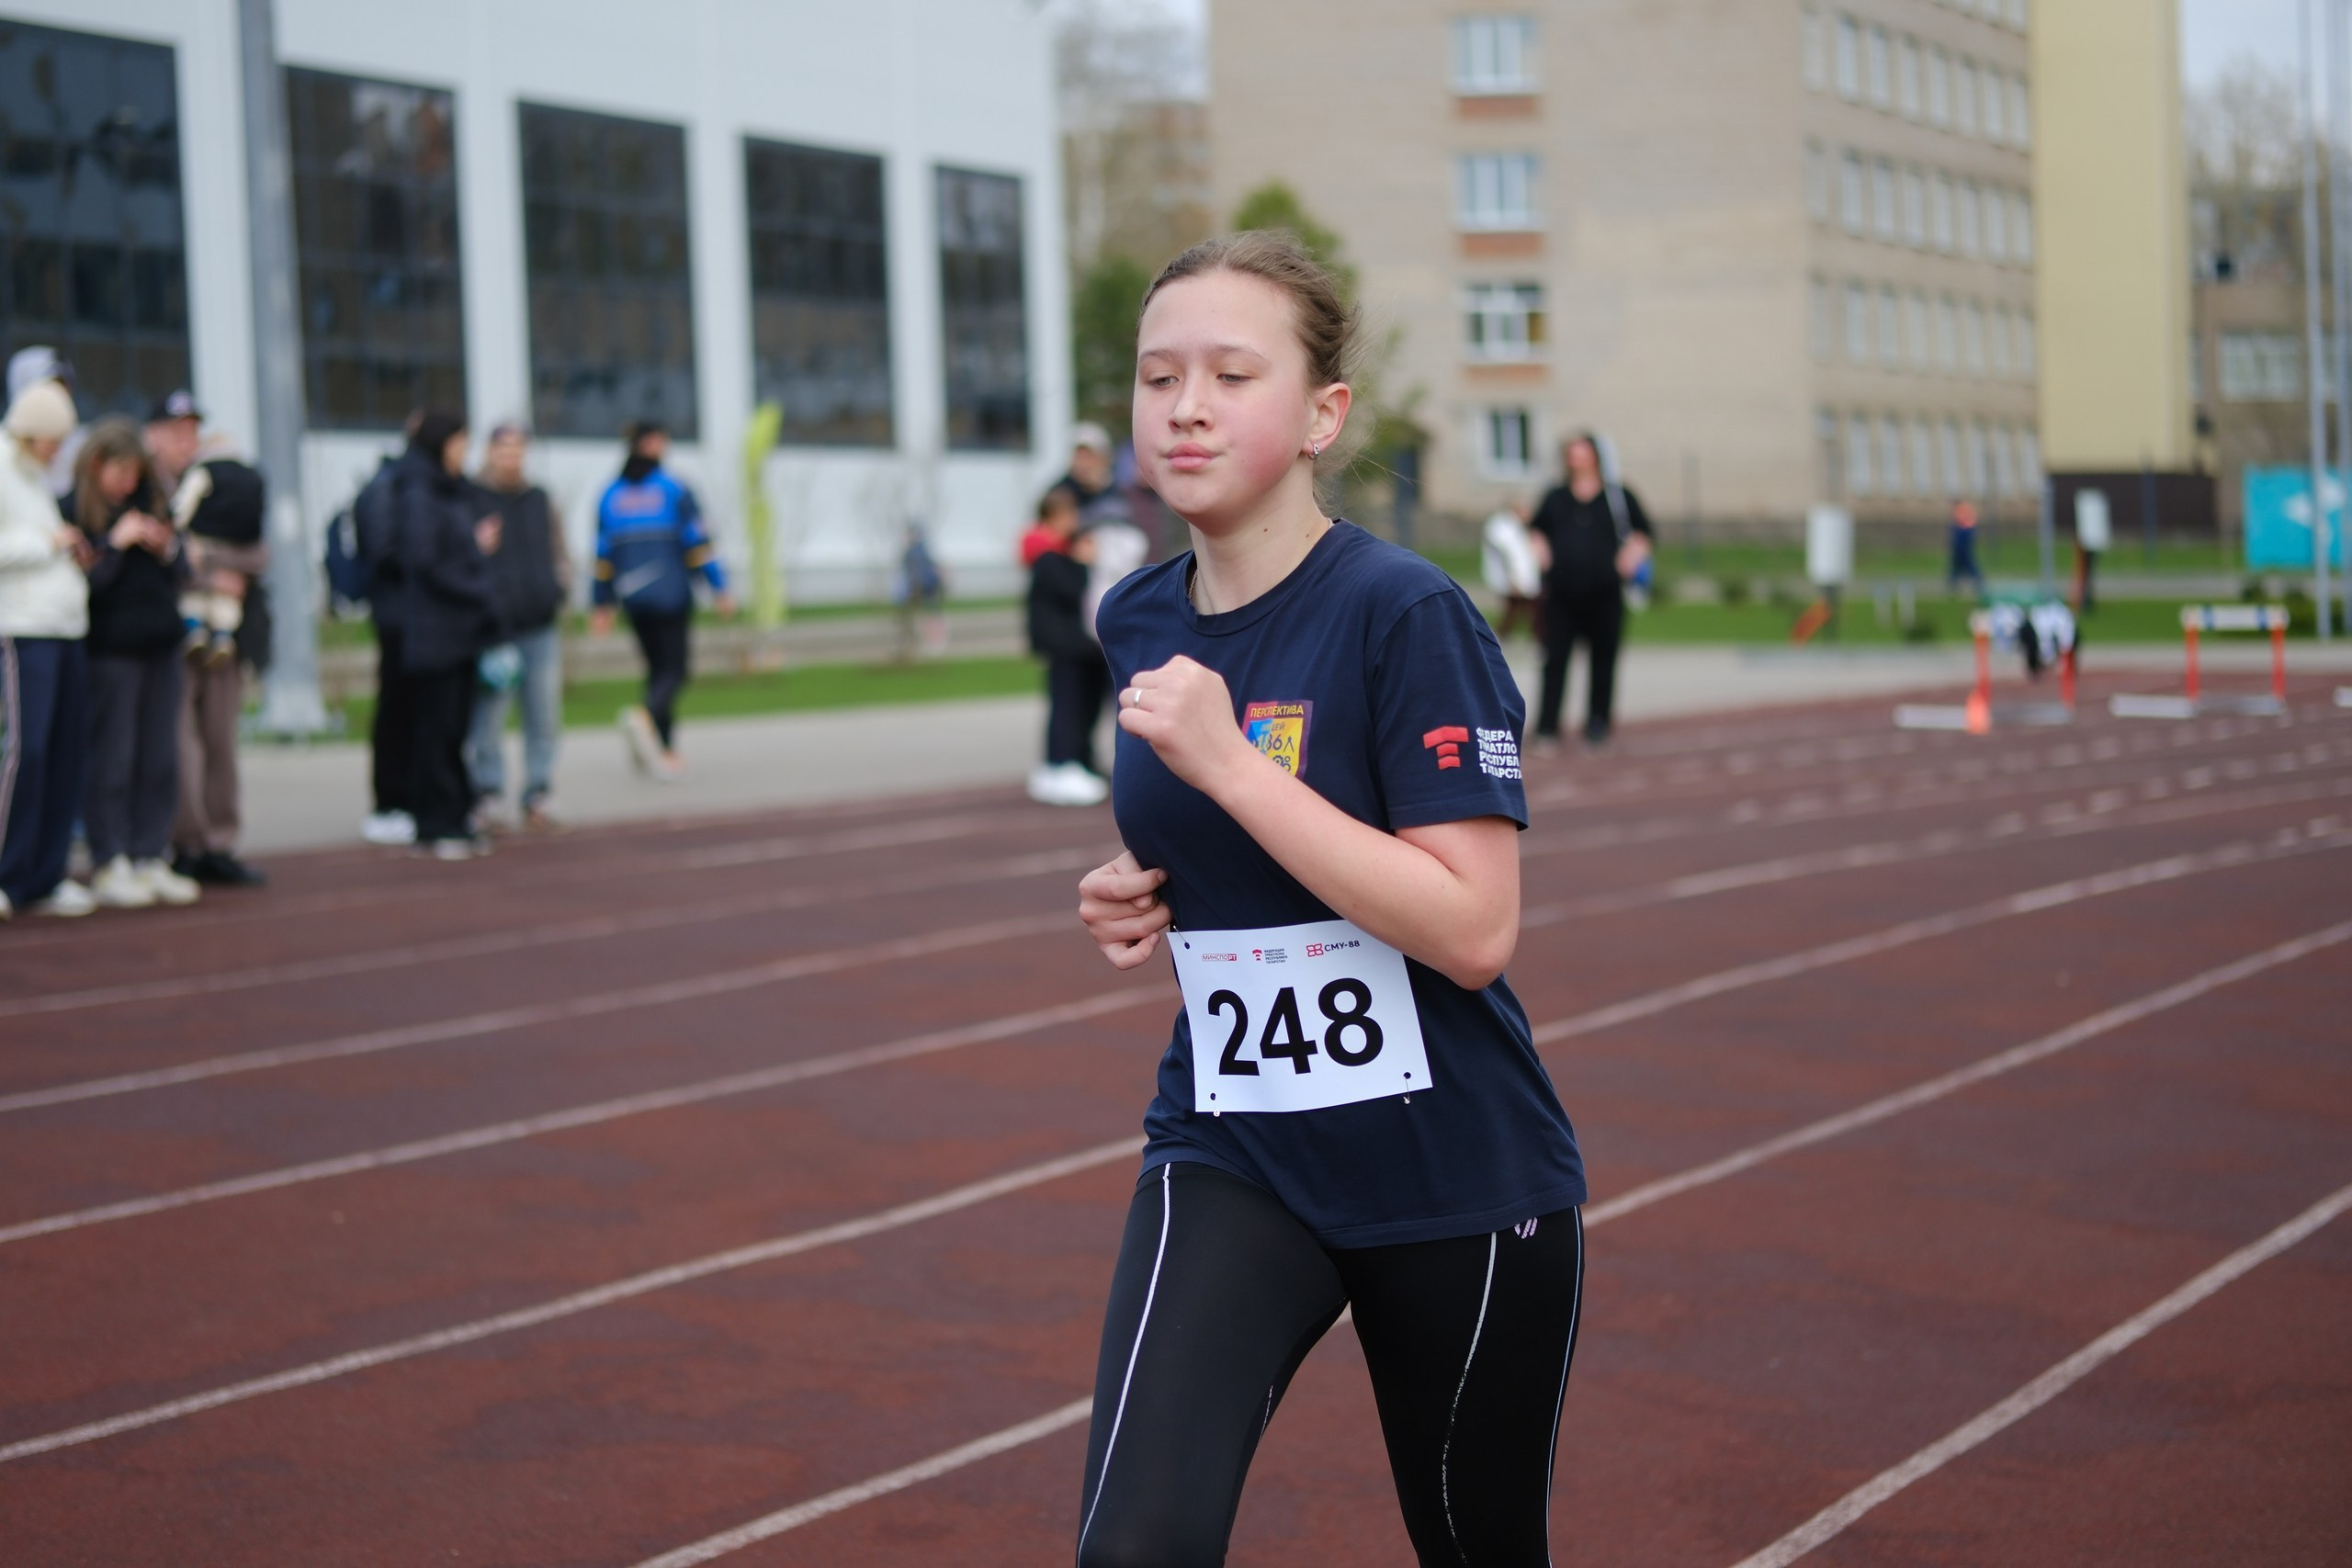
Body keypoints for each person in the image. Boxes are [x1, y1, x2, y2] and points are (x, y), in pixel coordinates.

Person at [1071, 231, 1587, 1568]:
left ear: (1322, 416)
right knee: (1133, 1548)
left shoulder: (1405, 614)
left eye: (1231, 375)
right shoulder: (1137, 618)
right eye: (1158, 376)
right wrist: (1145, 888)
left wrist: (1233, 769)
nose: (1185, 407)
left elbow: (1473, 929)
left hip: (1451, 1171)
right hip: (1235, 1144)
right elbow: (1228, 847)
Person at [71, 421, 199, 909]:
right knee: (114, 757)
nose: (128, 483)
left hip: (161, 645)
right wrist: (114, 542)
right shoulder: (76, 510)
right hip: (111, 651)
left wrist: (167, 547)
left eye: (134, 473)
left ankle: (150, 854)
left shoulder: (152, 501)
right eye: (120, 472)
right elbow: (85, 584)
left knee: (160, 757)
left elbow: (185, 570)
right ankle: (110, 859)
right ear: (96, 465)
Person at [153, 403, 270, 888]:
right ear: (154, 435)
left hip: (227, 632)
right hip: (172, 633)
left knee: (221, 738)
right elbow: (162, 552)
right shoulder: (151, 486)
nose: (187, 442)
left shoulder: (226, 483)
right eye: (176, 432)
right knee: (180, 738)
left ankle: (220, 841)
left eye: (193, 433)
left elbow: (258, 553)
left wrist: (213, 562)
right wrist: (208, 573)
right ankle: (187, 841)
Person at [0, 379, 97, 919]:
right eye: (53, 440)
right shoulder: (3, 465)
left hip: (65, 627)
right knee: (27, 752)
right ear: (31, 431)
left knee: (64, 753)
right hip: (22, 628)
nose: (58, 451)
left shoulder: (35, 475)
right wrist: (48, 543)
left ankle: (44, 876)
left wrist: (69, 552)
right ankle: (7, 873)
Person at [589, 421, 733, 781]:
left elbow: (603, 555)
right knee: (675, 671)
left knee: (657, 671)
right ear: (651, 444)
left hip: (633, 598)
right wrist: (719, 587)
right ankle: (646, 716)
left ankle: (666, 750)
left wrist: (601, 603)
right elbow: (697, 543)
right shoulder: (673, 489)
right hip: (671, 594)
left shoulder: (610, 495)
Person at [392, 411, 503, 859]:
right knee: (436, 730)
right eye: (460, 443)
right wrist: (479, 586)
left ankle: (455, 816)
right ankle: (436, 824)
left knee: (454, 729)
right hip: (435, 632)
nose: (465, 453)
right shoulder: (420, 493)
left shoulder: (451, 491)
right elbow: (427, 561)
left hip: (459, 632)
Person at [466, 422, 569, 829]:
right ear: (490, 452)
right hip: (494, 628)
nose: (511, 458)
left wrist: (560, 586)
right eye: (503, 450)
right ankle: (488, 792)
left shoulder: (540, 499)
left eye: (518, 450)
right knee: (489, 716)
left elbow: (559, 550)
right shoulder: (471, 497)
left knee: (544, 715)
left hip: (539, 623)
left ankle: (538, 792)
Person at [1528, 431, 1652, 751]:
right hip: (1561, 595)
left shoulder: (1618, 497)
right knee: (1555, 661)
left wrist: (1630, 558)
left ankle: (1598, 724)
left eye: (1582, 454)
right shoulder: (1555, 497)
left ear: (1596, 458)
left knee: (1603, 660)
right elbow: (1536, 531)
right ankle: (1547, 727)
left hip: (1605, 593)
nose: (1577, 461)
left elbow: (1642, 532)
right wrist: (1541, 555)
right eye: (1572, 454)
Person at [355, 412, 422, 844]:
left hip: (426, 618)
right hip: (399, 618)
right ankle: (390, 802)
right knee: (397, 710)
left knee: (425, 713)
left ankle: (417, 797)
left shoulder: (428, 486)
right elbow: (383, 550)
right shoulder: (389, 486)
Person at [1023, 485, 1109, 807]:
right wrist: (1084, 563)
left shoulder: (1055, 553)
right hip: (1065, 645)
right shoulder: (1048, 556)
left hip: (1075, 644)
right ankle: (1062, 765)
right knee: (1068, 705)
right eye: (1068, 514)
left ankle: (1076, 761)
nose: (1074, 520)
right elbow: (1072, 589)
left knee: (1081, 704)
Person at [1480, 496, 1544, 641]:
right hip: (1514, 577)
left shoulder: (1516, 527)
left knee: (1520, 607)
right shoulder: (1503, 528)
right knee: (1524, 606)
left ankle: (1507, 633)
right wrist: (1514, 578)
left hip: (1521, 576)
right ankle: (1536, 633)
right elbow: (1508, 556)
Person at [1948, 496, 1984, 595]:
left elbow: (1962, 522)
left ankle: (1977, 579)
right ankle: (1953, 583)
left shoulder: (1961, 509)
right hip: (1964, 532)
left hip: (1964, 533)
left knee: (1966, 560)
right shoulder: (1962, 509)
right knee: (1957, 563)